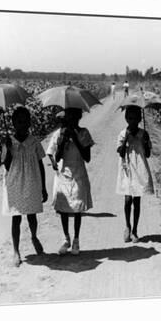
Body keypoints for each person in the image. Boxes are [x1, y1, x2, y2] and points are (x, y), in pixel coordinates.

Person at [1, 106, 48, 267]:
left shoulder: (34, 141)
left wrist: (43, 187)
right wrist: (7, 148)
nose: (22, 124)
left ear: (29, 123)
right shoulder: (8, 142)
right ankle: (16, 250)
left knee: (32, 214)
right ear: (13, 123)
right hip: (14, 182)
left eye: (25, 121)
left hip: (32, 181)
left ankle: (34, 236)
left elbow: (41, 163)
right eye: (19, 121)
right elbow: (6, 165)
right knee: (16, 217)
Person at [47, 108, 94, 255]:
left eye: (74, 118)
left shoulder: (84, 133)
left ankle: (76, 240)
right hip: (63, 175)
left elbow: (87, 157)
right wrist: (63, 141)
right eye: (68, 118)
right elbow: (57, 157)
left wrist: (76, 138)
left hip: (78, 173)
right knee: (63, 208)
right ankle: (66, 238)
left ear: (79, 117)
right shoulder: (59, 134)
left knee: (77, 208)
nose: (71, 121)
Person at [116, 105, 154, 243]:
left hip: (139, 168)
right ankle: (127, 226)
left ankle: (135, 230)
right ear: (126, 118)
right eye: (129, 118)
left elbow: (148, 154)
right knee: (127, 200)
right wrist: (126, 139)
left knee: (137, 200)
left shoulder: (144, 134)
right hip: (127, 168)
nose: (132, 121)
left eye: (135, 118)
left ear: (139, 119)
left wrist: (144, 143)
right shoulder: (122, 134)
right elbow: (120, 153)